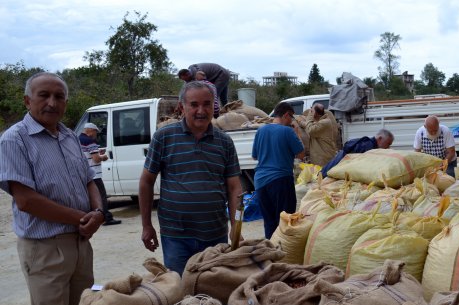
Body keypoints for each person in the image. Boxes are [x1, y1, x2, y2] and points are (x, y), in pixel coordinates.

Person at [0, 72, 105, 305]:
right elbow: (26, 199)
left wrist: (99, 212)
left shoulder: (70, 137)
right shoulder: (13, 139)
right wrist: (81, 218)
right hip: (44, 250)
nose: (52, 102)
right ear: (27, 100)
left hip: (79, 245)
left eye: (59, 97)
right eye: (44, 95)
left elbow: (90, 179)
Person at [139, 81, 242, 276]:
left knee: (214, 290)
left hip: (215, 235)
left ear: (214, 106)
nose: (201, 110)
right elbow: (146, 182)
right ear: (182, 106)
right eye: (194, 104)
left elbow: (234, 188)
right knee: (181, 291)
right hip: (176, 237)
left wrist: (236, 227)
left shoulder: (225, 142)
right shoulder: (163, 137)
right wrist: (146, 225)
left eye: (207, 104)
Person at [252, 102, 305, 238]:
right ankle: (284, 254)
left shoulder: (261, 130)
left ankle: (271, 252)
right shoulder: (287, 131)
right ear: (286, 115)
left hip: (260, 182)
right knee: (285, 221)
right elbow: (301, 154)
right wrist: (297, 133)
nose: (291, 121)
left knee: (269, 222)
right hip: (280, 181)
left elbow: (254, 156)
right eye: (291, 117)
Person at [79, 123, 121, 226]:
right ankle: (107, 217)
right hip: (95, 175)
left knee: (88, 197)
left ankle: (88, 218)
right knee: (101, 196)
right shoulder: (90, 141)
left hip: (84, 174)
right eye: (95, 132)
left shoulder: (77, 140)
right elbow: (96, 159)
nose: (96, 135)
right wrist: (103, 157)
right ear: (90, 130)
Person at [321, 129, 394, 177]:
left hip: (327, 172)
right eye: (388, 143)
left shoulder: (366, 143)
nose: (388, 147)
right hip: (328, 174)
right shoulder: (368, 147)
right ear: (380, 138)